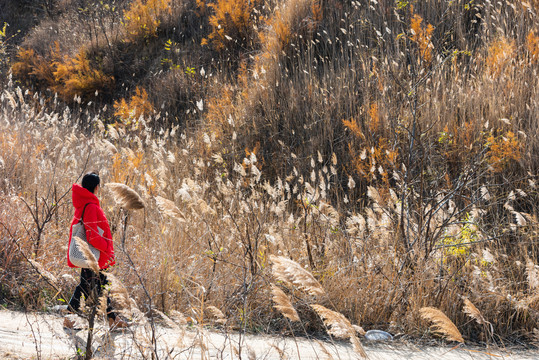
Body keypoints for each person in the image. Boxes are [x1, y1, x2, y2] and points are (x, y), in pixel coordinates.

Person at [64, 172, 127, 329]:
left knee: (98, 285)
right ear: (96, 187)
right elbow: (92, 236)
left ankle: (112, 319)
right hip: (94, 254)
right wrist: (106, 246)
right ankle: (70, 317)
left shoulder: (84, 204)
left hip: (92, 254)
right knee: (90, 285)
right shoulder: (91, 206)